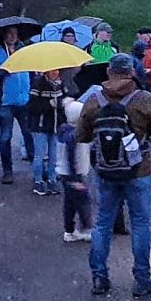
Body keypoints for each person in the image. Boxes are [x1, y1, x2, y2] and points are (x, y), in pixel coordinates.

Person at [77, 53, 151, 298]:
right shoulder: (143, 99)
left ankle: (99, 277)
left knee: (102, 223)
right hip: (139, 171)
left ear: (109, 71)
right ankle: (141, 280)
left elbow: (82, 136)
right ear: (131, 72)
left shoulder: (94, 99)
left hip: (105, 171)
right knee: (140, 224)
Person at [0, 26, 35, 184]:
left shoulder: (25, 51)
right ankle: (7, 171)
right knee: (6, 137)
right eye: (9, 34)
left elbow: (32, 73)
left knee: (29, 134)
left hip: (25, 101)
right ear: (4, 36)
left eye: (15, 34)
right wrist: (4, 71)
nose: (12, 36)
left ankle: (37, 169)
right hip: (5, 103)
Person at [57, 100, 93, 242]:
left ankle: (69, 230)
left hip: (65, 173)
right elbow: (73, 157)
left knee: (70, 203)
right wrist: (76, 178)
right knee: (83, 201)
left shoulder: (64, 131)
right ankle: (87, 229)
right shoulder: (75, 136)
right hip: (74, 175)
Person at [29, 69, 66, 196]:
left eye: (57, 70)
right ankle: (38, 181)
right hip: (41, 126)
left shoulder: (61, 85)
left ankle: (52, 179)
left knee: (54, 155)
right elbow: (32, 108)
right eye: (53, 71)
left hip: (55, 126)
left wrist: (62, 105)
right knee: (39, 155)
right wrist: (49, 104)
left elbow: (62, 105)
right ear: (46, 72)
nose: (56, 73)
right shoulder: (38, 84)